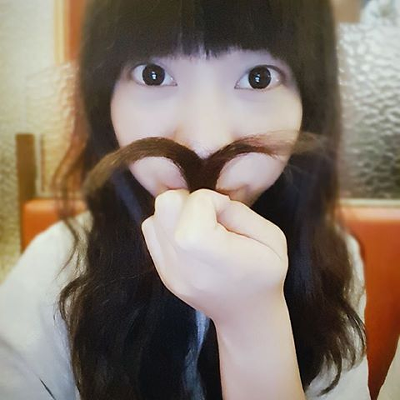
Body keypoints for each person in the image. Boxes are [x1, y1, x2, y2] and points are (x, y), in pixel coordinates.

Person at [0, 0, 370, 399]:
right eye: (153, 75)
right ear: (104, 100)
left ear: (309, 105)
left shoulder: (332, 261)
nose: (204, 142)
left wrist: (253, 322)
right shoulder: (54, 267)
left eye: (258, 78)